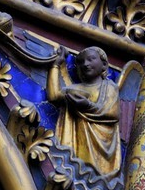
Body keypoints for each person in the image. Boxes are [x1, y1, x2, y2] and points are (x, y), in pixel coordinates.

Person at [47, 46, 121, 175]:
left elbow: (113, 114)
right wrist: (55, 65)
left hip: (102, 144)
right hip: (77, 140)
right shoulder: (74, 89)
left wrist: (86, 105)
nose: (85, 64)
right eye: (80, 62)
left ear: (103, 65)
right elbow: (54, 96)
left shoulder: (109, 87)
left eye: (91, 59)